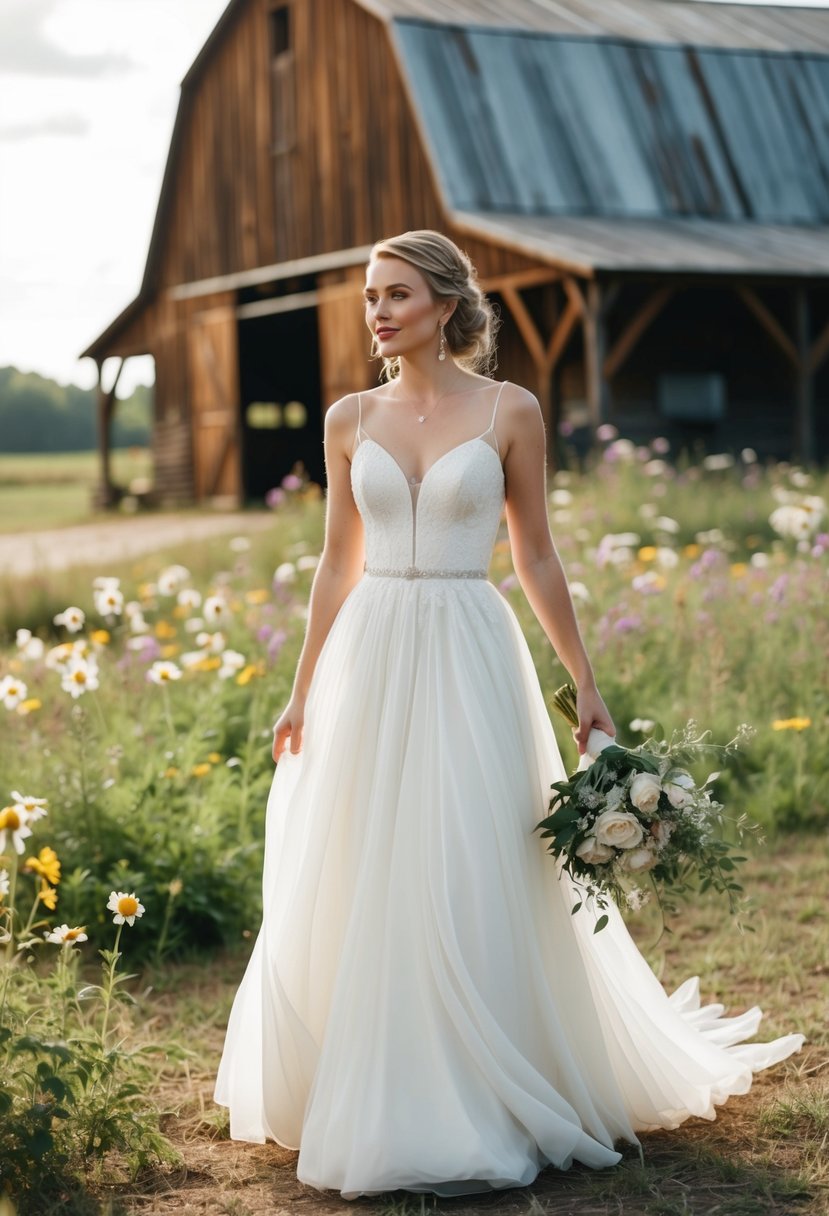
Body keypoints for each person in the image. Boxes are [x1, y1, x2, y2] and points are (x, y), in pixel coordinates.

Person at [213, 230, 804, 1200]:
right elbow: (335, 561)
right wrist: (301, 683)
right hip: (371, 648)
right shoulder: (349, 417)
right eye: (370, 296)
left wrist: (588, 679)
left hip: (467, 647)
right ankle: (373, 1069)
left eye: (397, 294)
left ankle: (481, 1070)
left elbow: (535, 556)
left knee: (466, 850)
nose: (378, 311)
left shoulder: (509, 410)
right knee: (367, 852)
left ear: (447, 304)